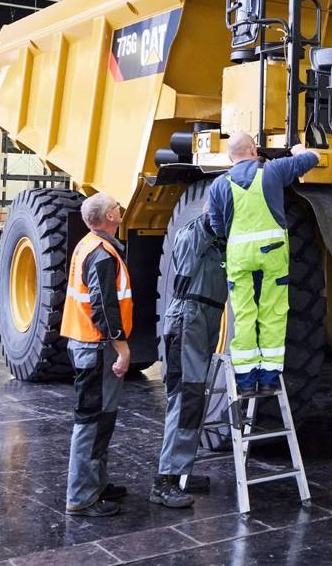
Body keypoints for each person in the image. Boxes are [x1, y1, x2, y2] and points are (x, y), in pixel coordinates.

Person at [207, 132, 320, 393]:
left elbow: (217, 227)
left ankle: (246, 380)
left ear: (229, 156)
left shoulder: (219, 185)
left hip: (240, 258)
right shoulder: (272, 171)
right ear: (254, 149)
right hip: (272, 255)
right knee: (273, 311)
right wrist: (299, 148)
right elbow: (314, 158)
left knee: (245, 314)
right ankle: (269, 378)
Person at [60, 193, 133, 517]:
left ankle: (97, 484)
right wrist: (122, 349)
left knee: (102, 418)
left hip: (89, 345)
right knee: (92, 421)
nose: (121, 209)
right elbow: (105, 309)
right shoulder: (102, 254)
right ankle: (82, 497)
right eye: (116, 207)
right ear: (109, 218)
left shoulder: (89, 244)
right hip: (97, 348)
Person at [151, 208, 228, 509]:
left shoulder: (219, 241)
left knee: (194, 401)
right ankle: (165, 480)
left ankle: (181, 474)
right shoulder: (194, 232)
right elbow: (206, 227)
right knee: (185, 401)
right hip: (189, 319)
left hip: (206, 318)